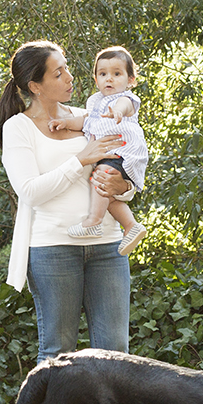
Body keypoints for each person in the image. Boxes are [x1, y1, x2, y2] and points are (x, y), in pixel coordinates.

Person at [0, 39, 133, 362]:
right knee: (58, 352)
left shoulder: (91, 117)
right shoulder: (18, 128)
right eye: (58, 74)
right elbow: (29, 191)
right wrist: (80, 160)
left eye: (67, 68)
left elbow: (123, 171)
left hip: (108, 245)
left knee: (116, 353)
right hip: (52, 249)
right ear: (35, 86)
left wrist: (123, 186)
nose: (70, 77)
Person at [47, 45, 148, 253]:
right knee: (105, 192)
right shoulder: (95, 103)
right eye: (103, 74)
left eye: (117, 74)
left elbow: (124, 106)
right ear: (96, 79)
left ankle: (93, 221)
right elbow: (84, 122)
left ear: (130, 80)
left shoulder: (124, 99)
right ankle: (131, 225)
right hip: (110, 156)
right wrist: (65, 123)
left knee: (100, 178)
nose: (109, 79)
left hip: (123, 152)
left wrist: (118, 112)